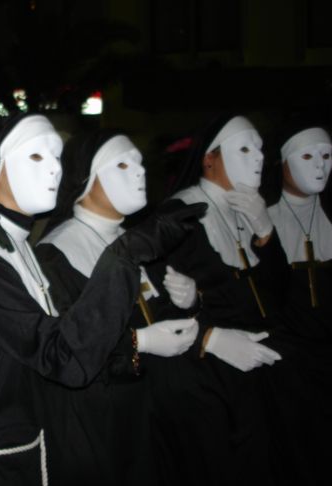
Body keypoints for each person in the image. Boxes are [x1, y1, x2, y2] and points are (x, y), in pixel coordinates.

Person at [0, 113, 204, 486]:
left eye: (58, 156)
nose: (56, 169)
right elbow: (64, 357)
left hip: (25, 443)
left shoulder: (12, 241)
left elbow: (69, 335)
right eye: (37, 156)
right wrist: (125, 254)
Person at [35, 130, 203, 486]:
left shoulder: (140, 239)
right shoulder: (55, 255)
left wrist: (189, 301)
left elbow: (156, 315)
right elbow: (66, 349)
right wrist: (138, 342)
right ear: (85, 180)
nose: (140, 172)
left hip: (154, 410)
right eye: (123, 165)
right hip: (101, 420)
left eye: (140, 164)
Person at [160, 114, 286, 486]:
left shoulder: (249, 210)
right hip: (209, 379)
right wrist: (210, 338)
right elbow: (166, 299)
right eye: (244, 149)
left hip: (256, 377)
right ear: (209, 159)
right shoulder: (179, 214)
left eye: (260, 150)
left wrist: (265, 233)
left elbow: (279, 295)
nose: (259, 158)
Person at [264, 123, 332, 485]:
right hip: (289, 366)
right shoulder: (265, 222)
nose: (319, 166)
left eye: (326, 155)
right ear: (284, 163)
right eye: (307, 156)